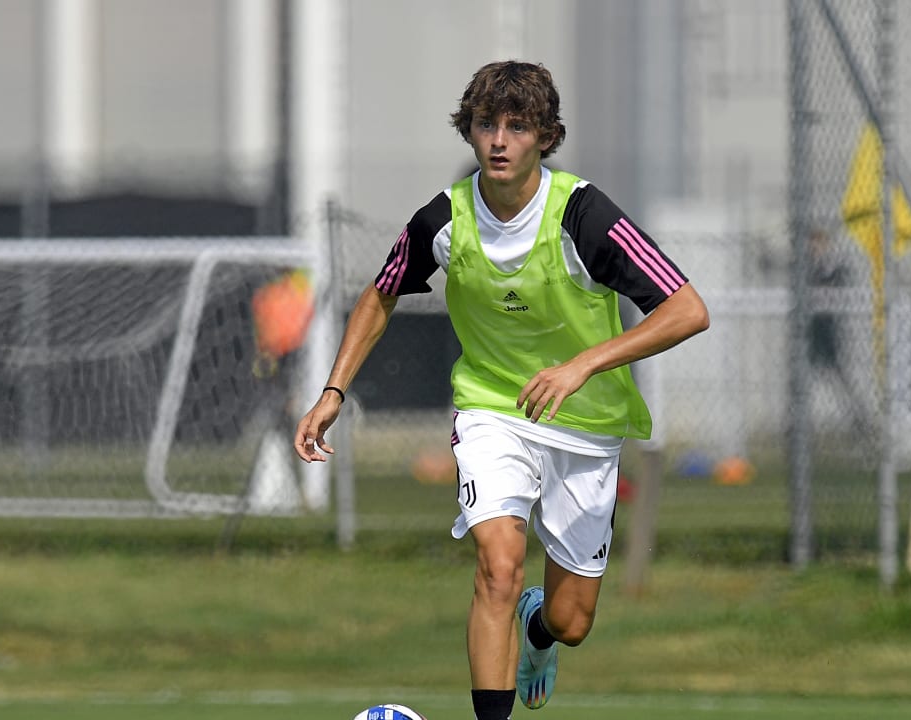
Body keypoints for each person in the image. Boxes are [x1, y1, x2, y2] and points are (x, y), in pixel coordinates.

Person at [293, 61, 710, 720]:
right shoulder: (445, 218)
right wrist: (333, 391)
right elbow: (380, 294)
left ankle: (538, 631)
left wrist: (583, 366)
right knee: (499, 561)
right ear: (470, 131)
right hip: (494, 412)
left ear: (546, 136)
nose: (499, 140)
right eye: (488, 123)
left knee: (573, 622)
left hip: (586, 424)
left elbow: (687, 309)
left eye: (519, 126)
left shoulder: (583, 214)